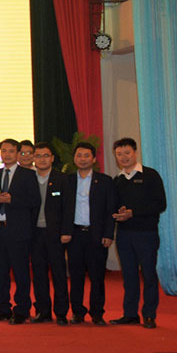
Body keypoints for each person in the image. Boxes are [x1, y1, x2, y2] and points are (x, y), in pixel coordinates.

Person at [111, 137, 167, 329]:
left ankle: (149, 315)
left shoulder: (150, 175)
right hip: (124, 235)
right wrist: (119, 212)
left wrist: (133, 213)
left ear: (135, 152)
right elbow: (114, 206)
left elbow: (160, 204)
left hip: (146, 234)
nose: (123, 157)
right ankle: (130, 314)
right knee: (129, 276)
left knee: (149, 274)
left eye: (127, 153)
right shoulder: (117, 181)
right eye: (119, 154)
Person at [61, 142, 117, 325]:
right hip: (75, 235)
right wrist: (65, 231)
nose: (82, 159)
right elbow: (62, 209)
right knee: (76, 277)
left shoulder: (105, 181)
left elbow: (110, 210)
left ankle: (97, 313)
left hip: (97, 235)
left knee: (97, 277)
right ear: (74, 158)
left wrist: (108, 234)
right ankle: (77, 312)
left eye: (87, 156)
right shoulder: (67, 181)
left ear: (93, 159)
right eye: (79, 155)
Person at [0, 138, 41, 324]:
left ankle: (22, 309)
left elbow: (34, 201)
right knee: (1, 273)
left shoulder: (28, 175)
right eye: (4, 151)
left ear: (18, 154)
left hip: (18, 231)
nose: (7, 154)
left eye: (11, 151)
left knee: (20, 272)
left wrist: (12, 200)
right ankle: (3, 308)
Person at [30, 143, 70, 324]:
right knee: (39, 274)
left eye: (45, 155)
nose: (42, 159)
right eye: (38, 156)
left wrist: (66, 231)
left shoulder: (62, 179)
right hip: (34, 234)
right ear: (33, 159)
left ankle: (61, 313)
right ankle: (43, 311)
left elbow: (68, 208)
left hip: (56, 234)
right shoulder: (29, 179)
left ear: (52, 158)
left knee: (59, 274)